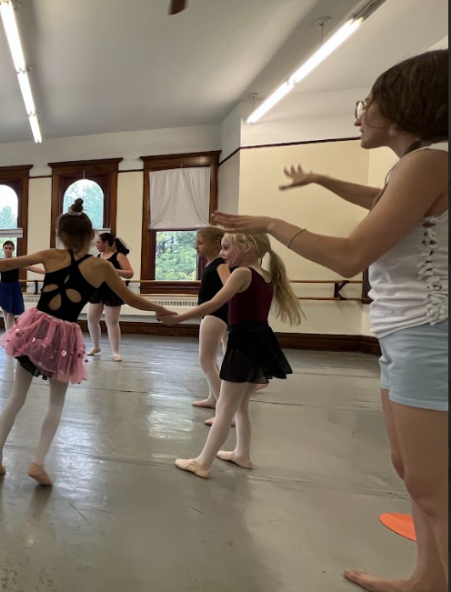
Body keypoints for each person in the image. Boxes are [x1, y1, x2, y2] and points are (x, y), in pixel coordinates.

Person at [213, 49, 448, 592]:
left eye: (368, 103)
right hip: (406, 334)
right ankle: (428, 578)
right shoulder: (415, 166)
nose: (360, 114)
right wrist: (322, 179)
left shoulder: (430, 161)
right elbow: (383, 199)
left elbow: (349, 256)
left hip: (429, 334)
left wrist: (272, 222)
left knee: (433, 484)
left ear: (405, 105)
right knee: (411, 470)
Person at [0, 200, 172, 486]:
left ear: (61, 235)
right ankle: (38, 463)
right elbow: (131, 299)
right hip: (64, 336)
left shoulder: (51, 255)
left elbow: (4, 264)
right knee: (56, 402)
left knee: (16, 397)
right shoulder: (101, 267)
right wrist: (161, 310)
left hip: (36, 328)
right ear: (92, 237)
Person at [161, 233, 302, 479]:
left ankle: (202, 463)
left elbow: (214, 303)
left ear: (246, 247)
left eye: (226, 248)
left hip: (243, 343)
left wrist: (178, 319)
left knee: (225, 408)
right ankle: (242, 455)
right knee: (241, 406)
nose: (223, 254)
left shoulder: (242, 273)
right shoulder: (265, 275)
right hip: (260, 341)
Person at [192, 227, 232, 418]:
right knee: (211, 360)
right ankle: (213, 398)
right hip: (212, 314)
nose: (196, 247)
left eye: (200, 242)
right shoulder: (212, 264)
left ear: (216, 244)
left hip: (215, 314)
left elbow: (230, 286)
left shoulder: (220, 264)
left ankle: (225, 413)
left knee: (206, 360)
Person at [86, 233, 135, 362]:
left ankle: (115, 352)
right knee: (91, 319)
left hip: (113, 290)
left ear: (106, 243)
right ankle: (95, 346)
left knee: (111, 321)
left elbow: (129, 273)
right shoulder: (98, 257)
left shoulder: (119, 256)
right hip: (98, 289)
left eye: (98, 242)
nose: (96, 245)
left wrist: (111, 269)